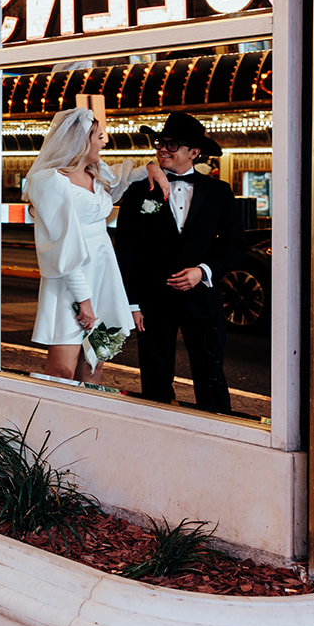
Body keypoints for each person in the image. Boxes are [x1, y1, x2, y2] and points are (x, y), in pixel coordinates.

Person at [114, 111, 247, 414]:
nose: (163, 149)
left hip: (202, 299)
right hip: (153, 300)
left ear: (194, 153)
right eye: (161, 143)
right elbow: (125, 250)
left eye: (172, 145)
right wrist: (132, 304)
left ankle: (218, 442)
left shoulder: (219, 192)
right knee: (154, 380)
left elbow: (236, 244)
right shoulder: (138, 191)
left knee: (210, 378)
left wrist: (203, 272)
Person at [23, 107, 166, 382]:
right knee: (63, 369)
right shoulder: (50, 182)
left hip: (102, 272)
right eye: (99, 136)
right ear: (81, 140)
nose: (105, 140)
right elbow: (62, 246)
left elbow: (127, 176)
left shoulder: (97, 172)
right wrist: (84, 301)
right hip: (71, 280)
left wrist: (151, 167)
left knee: (94, 364)